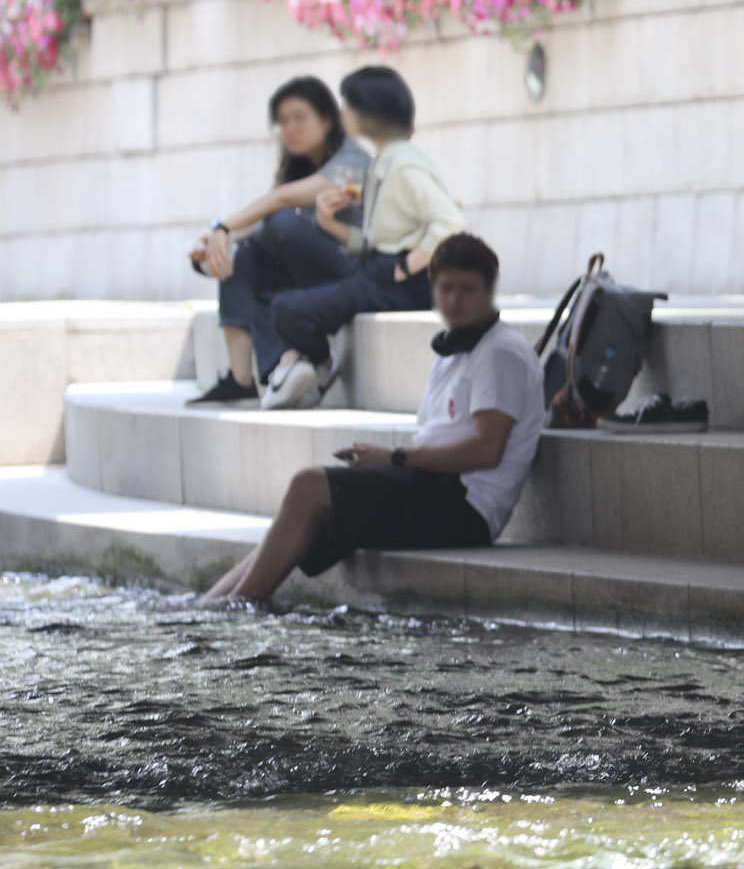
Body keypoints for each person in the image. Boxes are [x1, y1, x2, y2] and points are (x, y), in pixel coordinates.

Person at [202, 233, 544, 603]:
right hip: (434, 486)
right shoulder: (455, 349)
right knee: (310, 506)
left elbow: (486, 450)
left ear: (491, 290)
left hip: (466, 508)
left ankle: (236, 606)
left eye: (467, 290)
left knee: (309, 486)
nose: (455, 300)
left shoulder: (499, 353)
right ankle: (208, 605)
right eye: (446, 288)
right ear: (432, 286)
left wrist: (394, 458)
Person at [261, 65, 465, 410]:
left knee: (287, 309)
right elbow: (378, 239)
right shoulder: (387, 160)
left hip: (396, 283)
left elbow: (449, 221)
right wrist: (330, 226)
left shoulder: (403, 164)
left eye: (348, 106)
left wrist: (407, 265)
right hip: (377, 272)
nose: (343, 114)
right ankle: (313, 365)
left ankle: (322, 366)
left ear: (371, 112)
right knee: (284, 301)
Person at [185, 77, 372, 405]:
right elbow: (259, 220)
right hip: (310, 271)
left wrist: (223, 227)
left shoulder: (352, 160)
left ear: (327, 119)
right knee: (243, 257)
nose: (290, 128)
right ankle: (244, 377)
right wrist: (217, 245)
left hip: (353, 268)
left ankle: (293, 362)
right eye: (283, 121)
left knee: (280, 223)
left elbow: (279, 203)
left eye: (299, 118)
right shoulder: (294, 166)